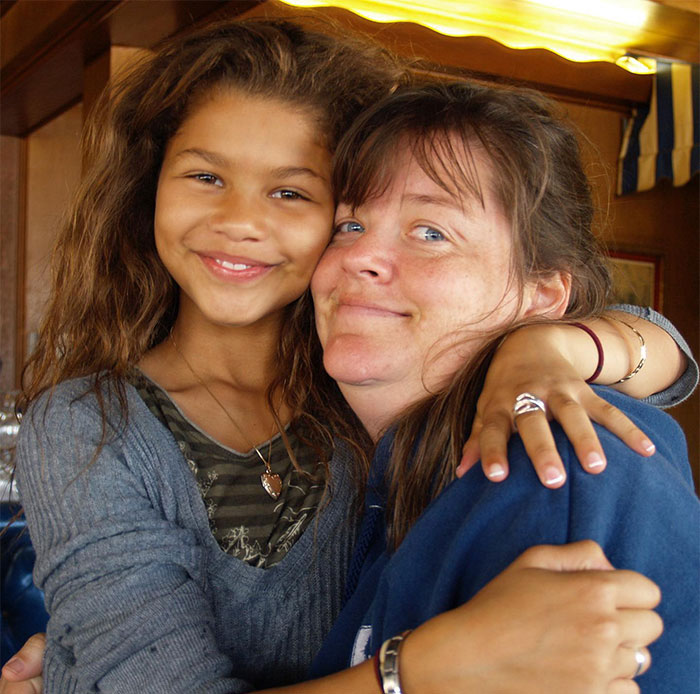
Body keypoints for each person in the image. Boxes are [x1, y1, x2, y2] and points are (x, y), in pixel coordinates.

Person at [5, 16, 695, 694]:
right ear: (149, 187)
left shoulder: (380, 388)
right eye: (205, 177)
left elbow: (661, 356)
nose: (240, 221)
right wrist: (423, 670)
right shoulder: (97, 425)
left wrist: (550, 343)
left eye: (291, 192)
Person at [308, 79, 700, 693]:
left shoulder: (557, 464)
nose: (360, 257)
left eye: (431, 232)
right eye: (350, 225)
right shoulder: (378, 463)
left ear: (542, 297)